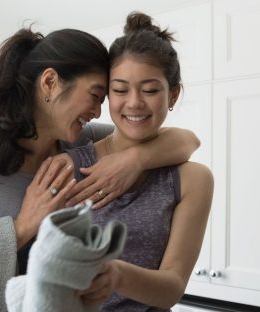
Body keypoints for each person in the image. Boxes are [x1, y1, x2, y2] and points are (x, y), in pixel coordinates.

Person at [0, 26, 200, 311]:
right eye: (95, 96)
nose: (96, 112)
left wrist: (136, 160)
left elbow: (183, 140)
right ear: (50, 82)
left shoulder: (77, 140)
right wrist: (21, 227)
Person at [64, 12, 214, 311]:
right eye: (120, 90)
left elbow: (172, 286)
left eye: (150, 90)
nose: (133, 102)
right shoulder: (68, 165)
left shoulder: (193, 180)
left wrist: (114, 273)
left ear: (173, 94)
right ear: (107, 93)